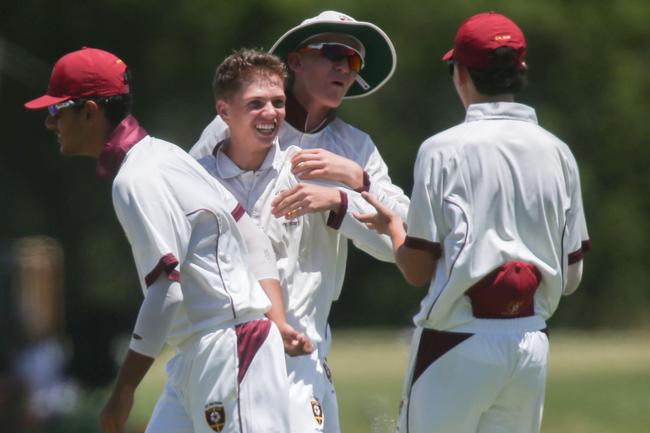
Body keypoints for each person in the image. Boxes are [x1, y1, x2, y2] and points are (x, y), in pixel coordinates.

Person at [24, 47, 293, 433]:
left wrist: (123, 391)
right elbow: (246, 230)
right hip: (199, 353)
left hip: (230, 349)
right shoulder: (165, 154)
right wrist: (274, 317)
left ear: (89, 111)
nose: (51, 123)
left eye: (56, 111)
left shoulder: (135, 178)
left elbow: (167, 290)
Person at [355, 12, 592, 433]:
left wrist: (392, 225)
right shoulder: (559, 152)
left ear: (460, 73)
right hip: (530, 344)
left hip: (455, 339)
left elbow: (418, 269)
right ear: (519, 71)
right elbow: (571, 275)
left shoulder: (441, 150)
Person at [198, 48, 395, 433]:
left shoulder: (356, 146)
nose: (344, 68)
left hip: (304, 340)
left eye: (354, 63)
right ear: (297, 60)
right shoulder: (236, 121)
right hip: (224, 342)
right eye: (335, 54)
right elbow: (191, 208)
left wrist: (349, 190)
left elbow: (402, 243)